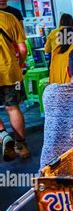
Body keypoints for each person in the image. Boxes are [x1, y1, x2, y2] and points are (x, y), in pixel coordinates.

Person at [0, 10, 29, 160]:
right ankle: (21, 146)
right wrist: (19, 64)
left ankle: (3, 135)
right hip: (10, 71)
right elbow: (23, 49)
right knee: (13, 108)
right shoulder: (10, 18)